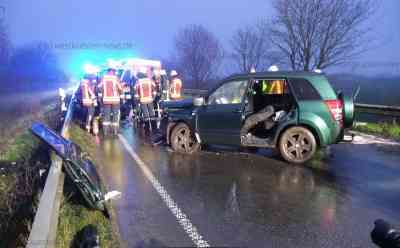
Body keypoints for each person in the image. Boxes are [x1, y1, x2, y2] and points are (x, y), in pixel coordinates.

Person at [98, 65, 123, 136]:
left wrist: (102, 94)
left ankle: (106, 132)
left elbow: (99, 87)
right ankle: (115, 131)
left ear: (108, 70)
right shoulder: (116, 78)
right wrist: (121, 93)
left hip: (106, 99)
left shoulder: (103, 78)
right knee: (115, 115)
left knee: (106, 115)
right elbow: (120, 88)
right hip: (115, 100)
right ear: (113, 70)